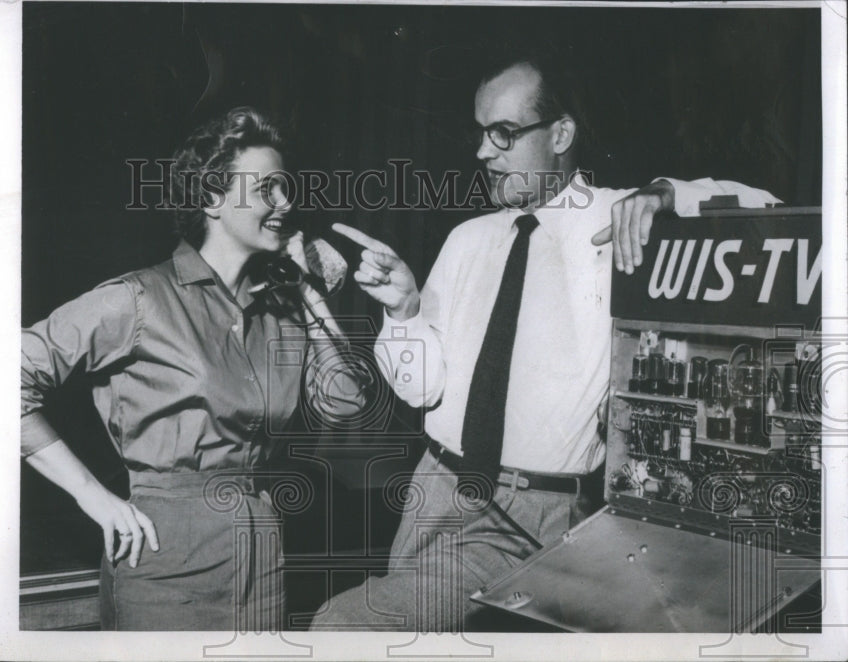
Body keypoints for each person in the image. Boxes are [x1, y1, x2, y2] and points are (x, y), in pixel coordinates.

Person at [310, 50, 779, 630]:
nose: (484, 152)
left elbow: (772, 210)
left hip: (529, 513)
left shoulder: (624, 220)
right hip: (432, 489)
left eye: (504, 134)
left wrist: (665, 195)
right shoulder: (467, 238)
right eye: (482, 134)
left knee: (348, 624)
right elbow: (420, 389)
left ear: (561, 134)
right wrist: (404, 312)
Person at [21, 107, 367, 630]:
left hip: (263, 555)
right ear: (211, 197)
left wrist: (311, 296)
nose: (286, 203)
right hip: (164, 558)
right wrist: (92, 495)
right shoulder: (139, 299)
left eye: (286, 188)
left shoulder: (282, 308)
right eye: (268, 188)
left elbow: (346, 404)